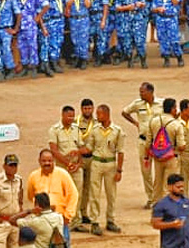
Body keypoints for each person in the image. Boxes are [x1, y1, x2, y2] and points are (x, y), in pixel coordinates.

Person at [83, 104, 124, 236]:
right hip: (96, 162)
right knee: (94, 193)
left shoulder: (117, 131)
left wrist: (119, 170)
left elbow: (120, 152)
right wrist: (77, 151)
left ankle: (110, 220)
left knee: (111, 194)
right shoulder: (94, 130)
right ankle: (95, 222)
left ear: (106, 114)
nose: (97, 116)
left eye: (99, 114)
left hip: (110, 164)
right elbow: (89, 148)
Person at [26, 150, 78, 246]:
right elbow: (31, 196)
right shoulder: (33, 176)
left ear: (53, 160)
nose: (47, 163)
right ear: (39, 161)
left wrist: (68, 216)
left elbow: (73, 194)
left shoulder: (63, 174)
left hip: (60, 221)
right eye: (44, 161)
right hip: (41, 222)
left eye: (49, 161)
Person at [152, 173, 189, 248]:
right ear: (170, 187)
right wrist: (172, 224)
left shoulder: (188, 202)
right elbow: (155, 224)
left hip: (186, 245)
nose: (181, 189)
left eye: (182, 186)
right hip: (170, 245)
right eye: (178, 187)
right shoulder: (161, 205)